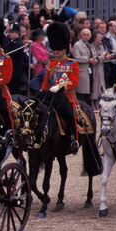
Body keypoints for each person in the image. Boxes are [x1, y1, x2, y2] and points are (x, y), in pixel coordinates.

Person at [40, 22, 80, 153]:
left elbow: (73, 83)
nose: (55, 52)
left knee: (69, 114)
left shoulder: (72, 64)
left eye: (58, 50)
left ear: (64, 49)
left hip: (65, 96)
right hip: (51, 94)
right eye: (54, 50)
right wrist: (41, 92)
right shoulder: (52, 63)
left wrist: (60, 88)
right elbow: (46, 81)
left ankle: (74, 139)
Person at [72, 29, 95, 104]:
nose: (86, 36)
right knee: (81, 91)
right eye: (84, 34)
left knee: (88, 90)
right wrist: (88, 60)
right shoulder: (77, 45)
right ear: (81, 35)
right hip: (82, 70)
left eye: (87, 35)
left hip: (90, 70)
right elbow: (76, 57)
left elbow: (94, 55)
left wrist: (95, 59)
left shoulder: (89, 45)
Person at [91, 31, 110, 110]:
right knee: (94, 85)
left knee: (100, 85)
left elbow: (101, 58)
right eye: (99, 37)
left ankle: (97, 102)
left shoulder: (101, 46)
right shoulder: (91, 46)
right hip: (94, 68)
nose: (101, 39)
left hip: (100, 68)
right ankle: (92, 103)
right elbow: (95, 57)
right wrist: (103, 56)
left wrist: (107, 56)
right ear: (95, 38)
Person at [5, 23, 26, 95]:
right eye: (10, 32)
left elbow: (10, 55)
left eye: (12, 32)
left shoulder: (17, 43)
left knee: (14, 90)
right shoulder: (12, 42)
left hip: (15, 72)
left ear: (17, 33)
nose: (10, 34)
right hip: (12, 71)